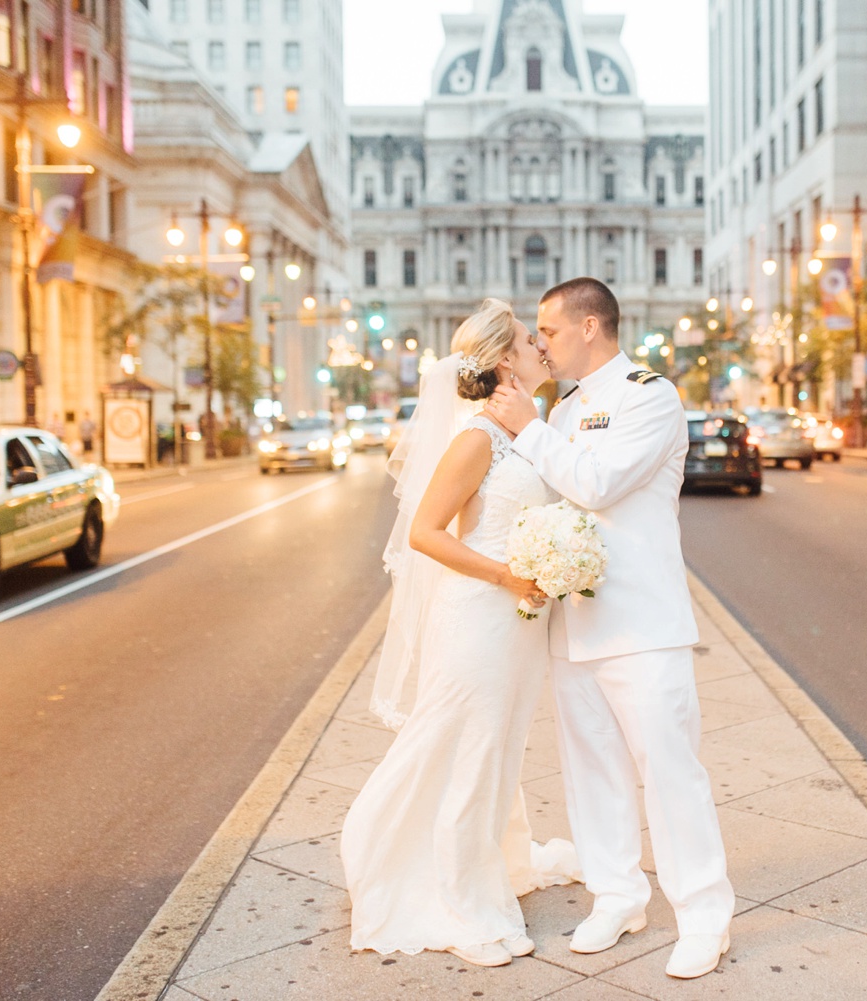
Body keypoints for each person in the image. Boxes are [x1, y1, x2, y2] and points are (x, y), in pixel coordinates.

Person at [488, 277, 735, 981]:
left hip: (641, 619)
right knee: (590, 767)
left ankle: (703, 914)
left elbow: (598, 485)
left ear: (591, 325)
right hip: (576, 619)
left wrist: (526, 427)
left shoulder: (649, 394)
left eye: (552, 331)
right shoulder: (563, 408)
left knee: (670, 772)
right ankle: (618, 893)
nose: (543, 343)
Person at [341, 299, 579, 969]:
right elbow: (424, 532)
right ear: (507, 359)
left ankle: (488, 860)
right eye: (533, 341)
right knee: (467, 749)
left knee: (497, 748)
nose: (543, 349)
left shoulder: (523, 430)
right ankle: (456, 893)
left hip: (517, 619)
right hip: (479, 614)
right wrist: (507, 575)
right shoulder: (475, 437)